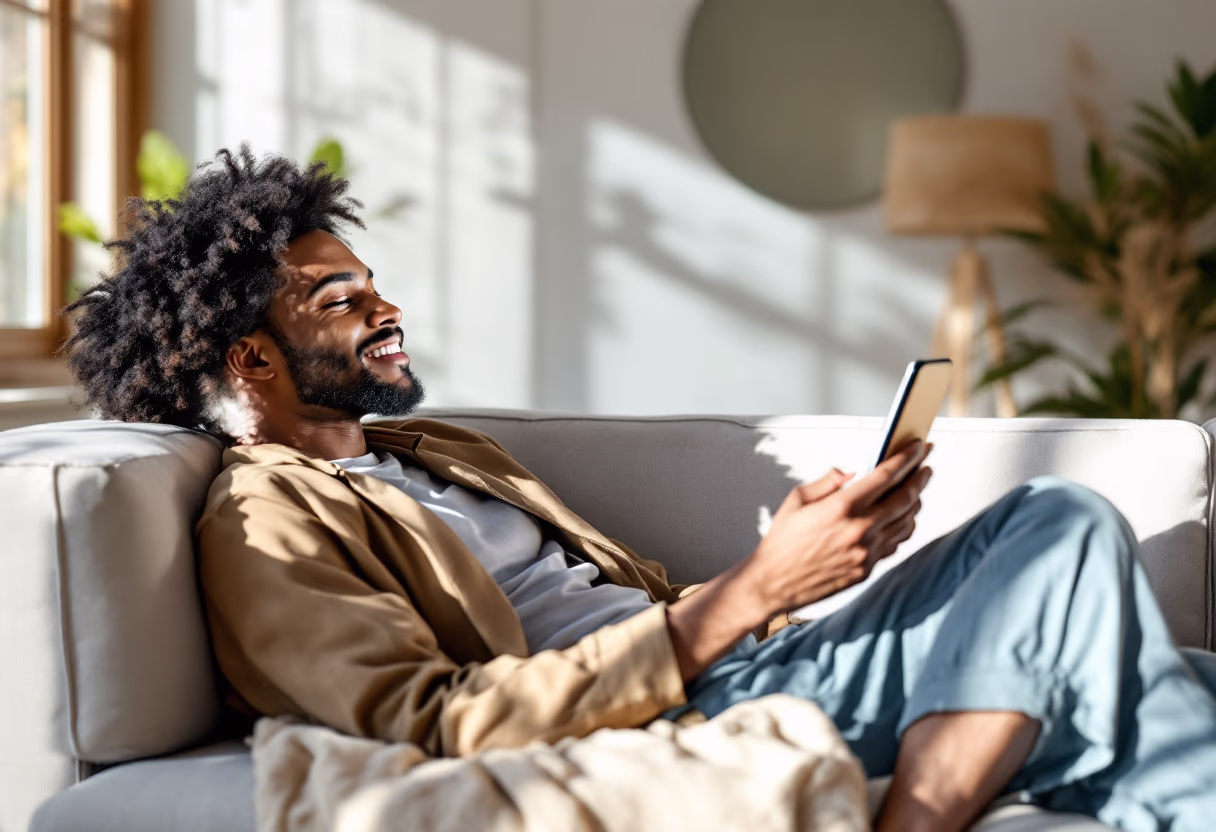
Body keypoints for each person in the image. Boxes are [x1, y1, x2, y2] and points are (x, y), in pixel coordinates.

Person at [64, 147, 1216, 832]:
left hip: (743, 659)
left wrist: (808, 567)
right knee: (1057, 524)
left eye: (372, 282)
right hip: (682, 707)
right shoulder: (264, 521)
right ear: (251, 361)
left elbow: (618, 602)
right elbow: (433, 720)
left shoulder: (432, 451)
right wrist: (755, 591)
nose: (385, 307)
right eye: (339, 299)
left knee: (1156, 671)